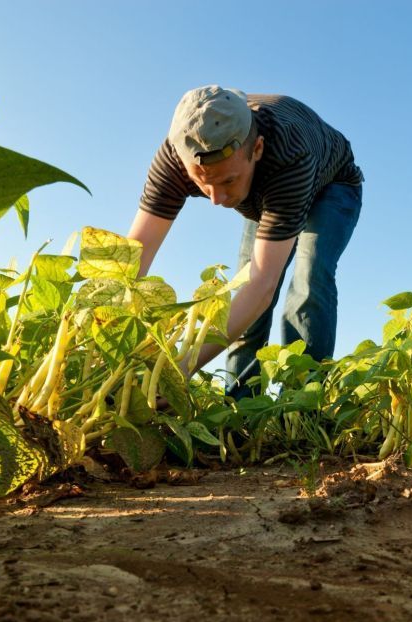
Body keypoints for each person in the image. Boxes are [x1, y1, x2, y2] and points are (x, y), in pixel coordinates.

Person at [127, 86, 363, 397]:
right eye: (202, 182)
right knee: (243, 294)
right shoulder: (174, 157)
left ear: (257, 148)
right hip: (263, 193)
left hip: (331, 186)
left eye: (228, 180)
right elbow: (133, 258)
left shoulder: (290, 155)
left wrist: (178, 368)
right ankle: (239, 406)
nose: (217, 199)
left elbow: (262, 285)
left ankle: (303, 402)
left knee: (309, 277)